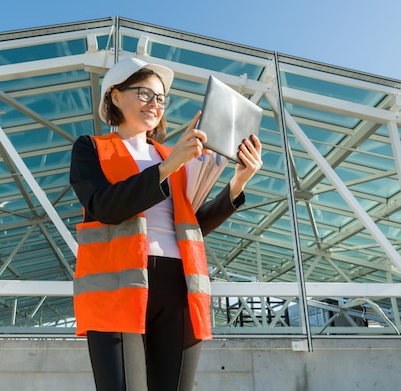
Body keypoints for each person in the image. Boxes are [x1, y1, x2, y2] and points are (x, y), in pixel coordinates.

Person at [70, 57, 262, 391]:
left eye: (161, 98)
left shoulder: (173, 157)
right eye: (144, 93)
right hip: (117, 288)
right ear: (115, 96)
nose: (155, 104)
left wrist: (237, 184)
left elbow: (192, 227)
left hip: (179, 285)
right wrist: (167, 167)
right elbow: (105, 207)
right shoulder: (91, 148)